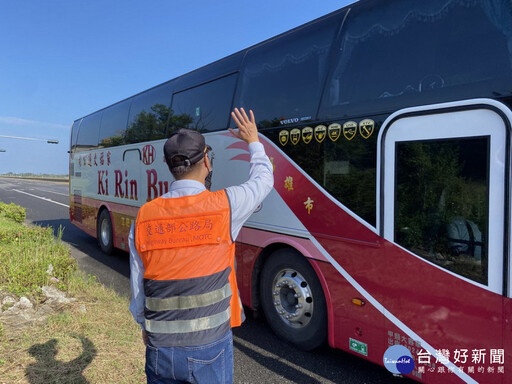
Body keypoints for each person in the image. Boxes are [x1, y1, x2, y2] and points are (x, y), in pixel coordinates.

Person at [129, 108, 274, 384]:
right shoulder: (226, 205)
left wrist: (144, 325)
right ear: (207, 160)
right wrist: (253, 141)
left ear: (169, 165)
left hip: (160, 349)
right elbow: (264, 180)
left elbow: (138, 284)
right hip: (210, 348)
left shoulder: (144, 216)